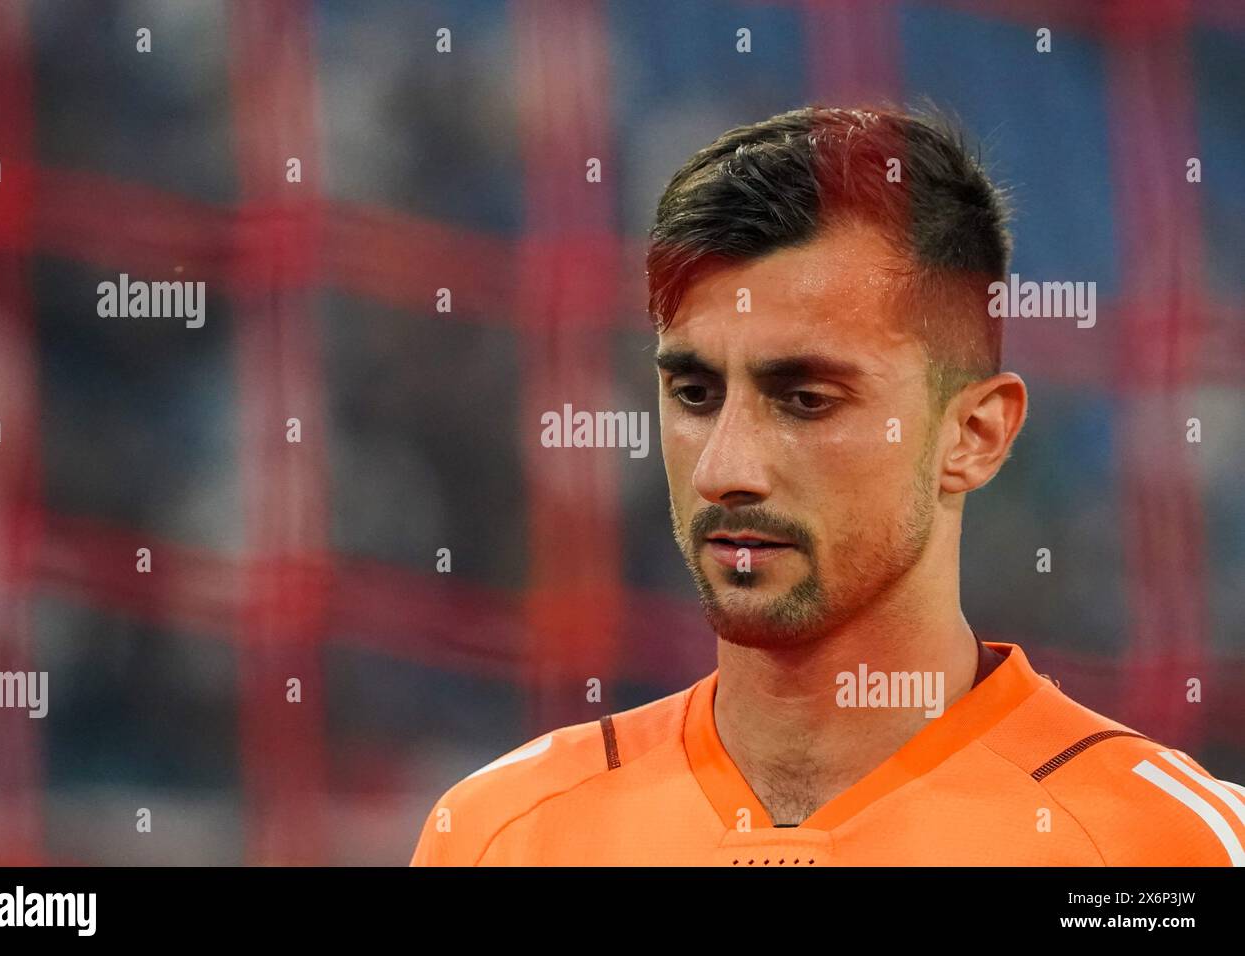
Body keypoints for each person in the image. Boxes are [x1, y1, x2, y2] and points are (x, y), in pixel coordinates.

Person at [411, 106, 1243, 866]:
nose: (724, 470)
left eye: (806, 400)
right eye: (694, 395)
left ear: (974, 436)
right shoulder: (504, 832)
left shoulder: (1155, 848)